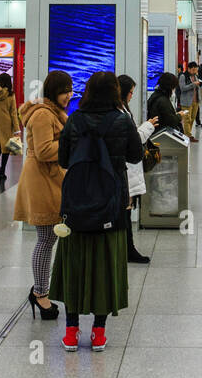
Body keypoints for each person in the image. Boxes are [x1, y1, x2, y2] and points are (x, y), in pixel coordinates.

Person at [53, 72, 144, 352]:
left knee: (74, 262)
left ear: (89, 91)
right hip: (112, 200)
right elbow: (135, 156)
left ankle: (70, 332)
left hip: (78, 199)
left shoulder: (76, 118)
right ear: (115, 92)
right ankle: (99, 333)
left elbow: (63, 158)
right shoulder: (121, 119)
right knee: (106, 264)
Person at [15, 71, 72, 320]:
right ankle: (39, 294)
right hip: (41, 180)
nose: (69, 95)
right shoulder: (42, 115)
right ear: (53, 91)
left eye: (70, 90)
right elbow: (43, 150)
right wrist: (72, 142)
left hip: (50, 179)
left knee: (48, 237)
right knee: (46, 238)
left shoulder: (51, 112)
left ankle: (42, 291)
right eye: (64, 91)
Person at [117, 75, 157, 264]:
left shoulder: (123, 109)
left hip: (129, 169)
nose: (132, 96)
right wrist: (148, 126)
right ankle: (127, 249)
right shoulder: (119, 112)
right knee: (124, 211)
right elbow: (131, 139)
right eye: (131, 92)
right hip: (125, 168)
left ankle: (128, 248)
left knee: (126, 210)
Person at [179, 62, 202, 142]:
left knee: (192, 118)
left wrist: (198, 84)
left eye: (196, 70)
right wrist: (193, 84)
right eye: (193, 70)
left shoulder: (195, 76)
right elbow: (182, 88)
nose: (194, 71)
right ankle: (188, 135)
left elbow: (197, 86)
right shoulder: (183, 76)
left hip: (195, 101)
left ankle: (187, 134)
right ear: (188, 69)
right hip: (186, 102)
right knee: (187, 119)